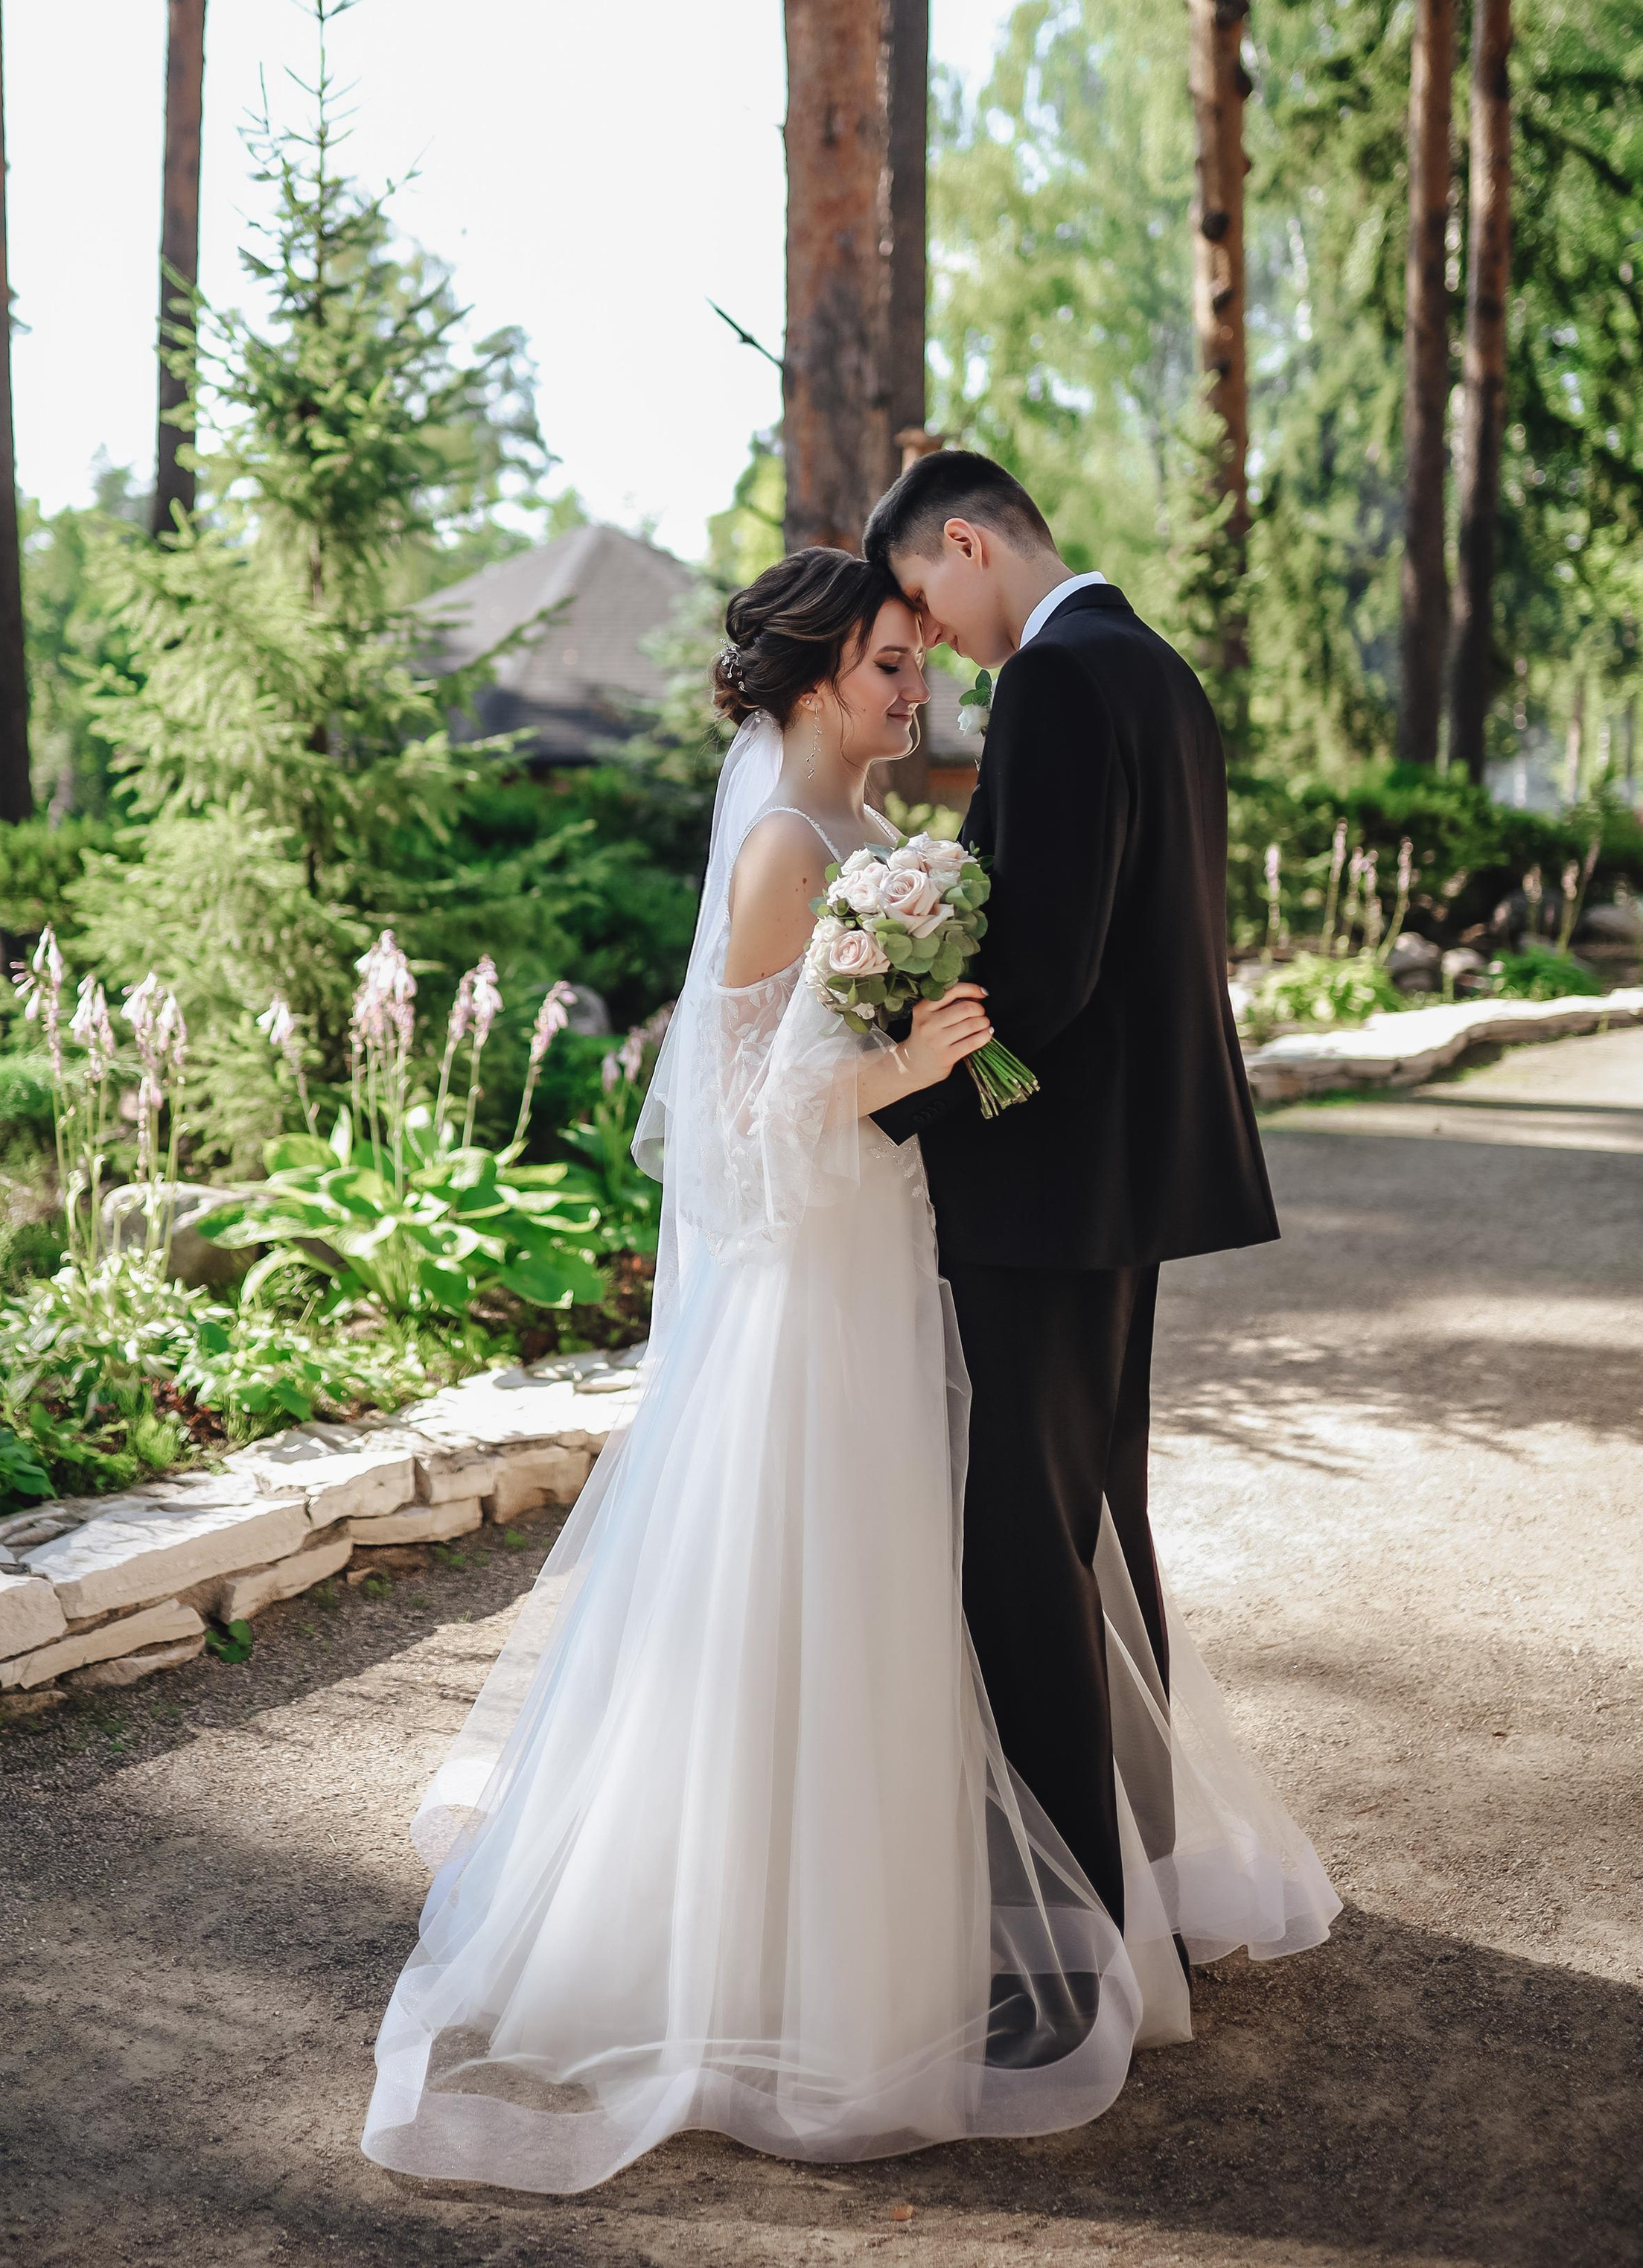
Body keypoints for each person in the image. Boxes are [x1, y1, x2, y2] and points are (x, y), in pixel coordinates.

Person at [362, 546, 1336, 2198]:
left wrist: (928, 1055)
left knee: (901, 1596)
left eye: (916, 662)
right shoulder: (779, 854)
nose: (920, 686)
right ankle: (774, 1965)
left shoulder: (885, 846)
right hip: (804, 1297)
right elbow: (734, 1127)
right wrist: (900, 1060)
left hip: (892, 1264)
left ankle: (900, 1932)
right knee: (802, 1593)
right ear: (817, 682)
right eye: (891, 665)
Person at [861, 448, 1280, 1937]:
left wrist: (888, 1087)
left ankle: (1060, 1922)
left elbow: (1041, 965)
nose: (938, 642)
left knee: (1021, 1546)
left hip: (1046, 1177)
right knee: (1099, 1515)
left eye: (926, 597)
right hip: (1130, 1171)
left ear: (966, 543)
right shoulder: (1153, 667)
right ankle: (1138, 1863)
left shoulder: (1051, 680)